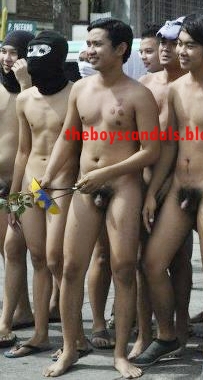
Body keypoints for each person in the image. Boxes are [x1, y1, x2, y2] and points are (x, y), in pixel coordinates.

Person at [41, 18, 161, 379]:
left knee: (123, 268)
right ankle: (70, 348)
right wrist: (48, 176)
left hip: (122, 186)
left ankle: (121, 353)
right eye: (88, 44)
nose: (88, 50)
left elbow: (151, 151)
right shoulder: (81, 89)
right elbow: (68, 136)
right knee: (70, 267)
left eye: (97, 44)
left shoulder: (139, 94)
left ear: (120, 49)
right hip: (84, 186)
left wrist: (106, 174)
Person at [134, 15, 203, 380]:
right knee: (152, 263)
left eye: (189, 45)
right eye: (179, 43)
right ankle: (167, 335)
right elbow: (169, 146)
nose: (179, 50)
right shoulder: (176, 90)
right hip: (180, 187)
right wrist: (153, 192)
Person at [0, 32, 74, 359]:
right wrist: (15, 199)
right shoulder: (25, 99)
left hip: (59, 189)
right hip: (31, 188)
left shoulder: (74, 94)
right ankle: (40, 333)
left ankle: (75, 335)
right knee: (37, 257)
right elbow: (23, 151)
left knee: (57, 259)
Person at [130, 16, 192, 360]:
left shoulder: (191, 85)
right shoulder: (145, 84)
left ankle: (179, 327)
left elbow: (191, 144)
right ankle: (145, 332)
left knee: (179, 260)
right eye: (163, 42)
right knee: (144, 261)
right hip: (144, 179)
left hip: (180, 181)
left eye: (173, 42)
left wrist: (170, 182)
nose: (166, 49)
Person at [0, 30, 35, 344]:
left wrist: (25, 83)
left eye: (14, 52)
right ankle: (21, 309)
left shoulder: (38, 90)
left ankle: (55, 304)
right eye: (4, 51)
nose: (7, 58)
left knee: (44, 252)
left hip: (32, 185)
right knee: (9, 249)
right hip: (4, 187)